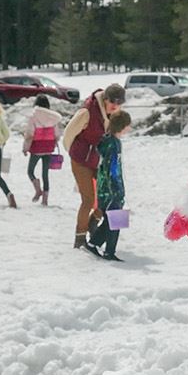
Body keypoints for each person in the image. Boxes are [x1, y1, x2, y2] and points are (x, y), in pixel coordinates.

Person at [63, 83, 126, 250]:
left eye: (119, 103)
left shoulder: (114, 115)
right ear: (105, 99)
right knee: (88, 199)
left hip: (100, 161)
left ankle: (95, 226)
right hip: (81, 160)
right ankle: (80, 238)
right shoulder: (87, 112)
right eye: (113, 102)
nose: (115, 106)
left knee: (108, 199)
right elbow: (68, 135)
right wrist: (76, 153)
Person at [86, 111, 132, 262]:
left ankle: (93, 243)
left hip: (104, 188)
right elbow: (112, 168)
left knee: (109, 219)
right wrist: (117, 189)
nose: (129, 128)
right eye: (128, 125)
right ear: (122, 126)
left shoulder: (108, 141)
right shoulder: (114, 144)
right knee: (116, 220)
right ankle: (109, 252)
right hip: (112, 189)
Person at [21, 97, 63, 205]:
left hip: (36, 148)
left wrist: (25, 148)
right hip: (48, 148)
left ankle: (38, 189)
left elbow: (29, 135)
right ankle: (45, 200)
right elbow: (57, 135)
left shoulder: (33, 117)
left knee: (30, 171)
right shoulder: (53, 117)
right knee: (45, 174)